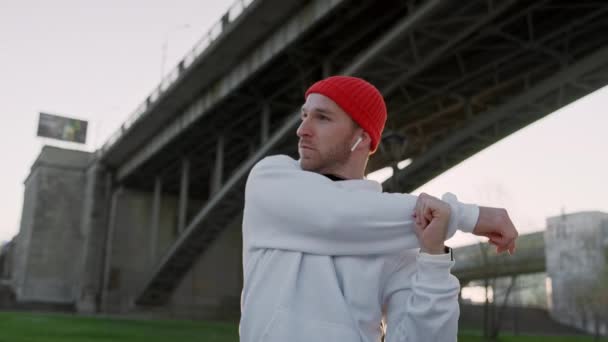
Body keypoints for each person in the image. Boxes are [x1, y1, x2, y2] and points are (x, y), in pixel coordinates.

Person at [239, 76, 518, 342]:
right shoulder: (270, 179)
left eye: (321, 117)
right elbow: (336, 216)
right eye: (304, 115)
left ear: (362, 138)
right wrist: (469, 216)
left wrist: (434, 258)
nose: (302, 129)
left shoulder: (396, 239)